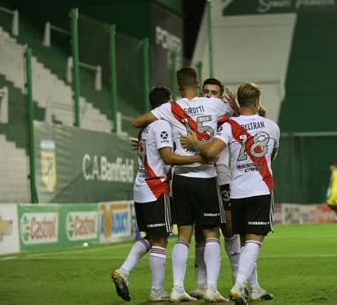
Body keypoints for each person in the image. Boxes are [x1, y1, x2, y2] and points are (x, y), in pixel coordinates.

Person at [132, 68, 237, 302]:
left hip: (181, 178)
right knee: (211, 233)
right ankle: (210, 288)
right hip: (207, 177)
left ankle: (177, 288)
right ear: (198, 84)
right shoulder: (214, 104)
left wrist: (148, 135)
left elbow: (137, 121)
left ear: (178, 87)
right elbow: (237, 114)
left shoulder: (170, 107)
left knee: (183, 235)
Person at [181, 82, 280, 305]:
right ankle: (238, 286)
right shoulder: (272, 127)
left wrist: (196, 142)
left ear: (238, 102)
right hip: (260, 188)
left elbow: (209, 151)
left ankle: (253, 288)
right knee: (254, 240)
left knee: (243, 240)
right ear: (257, 101)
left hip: (236, 190)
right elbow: (271, 156)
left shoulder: (229, 125)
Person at [111, 87, 211, 302]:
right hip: (156, 187)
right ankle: (155, 291)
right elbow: (167, 157)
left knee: (153, 237)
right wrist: (198, 159)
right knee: (161, 240)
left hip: (142, 187)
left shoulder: (146, 128)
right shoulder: (162, 124)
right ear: (167, 103)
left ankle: (124, 271)